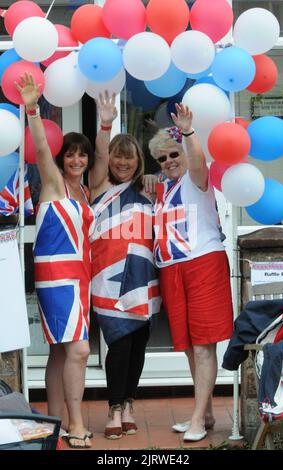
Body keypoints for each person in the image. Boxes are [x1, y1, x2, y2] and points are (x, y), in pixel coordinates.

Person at [16, 72, 95, 449]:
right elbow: (42, 152)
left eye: (82, 153)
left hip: (80, 277)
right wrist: (32, 108)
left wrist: (108, 120)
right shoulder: (53, 182)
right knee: (79, 350)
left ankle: (54, 423)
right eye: (71, 153)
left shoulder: (86, 190)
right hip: (56, 276)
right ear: (62, 158)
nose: (76, 159)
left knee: (61, 351)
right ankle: (76, 424)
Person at [149, 103, 233, 442]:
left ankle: (197, 419)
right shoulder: (161, 188)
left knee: (203, 346)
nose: (169, 161)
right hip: (171, 269)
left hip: (203, 263)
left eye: (173, 154)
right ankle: (207, 412)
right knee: (187, 346)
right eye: (162, 158)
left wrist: (187, 132)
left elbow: (197, 162)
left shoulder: (197, 178)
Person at [89, 92, 160, 440]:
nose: (122, 162)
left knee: (137, 345)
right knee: (117, 345)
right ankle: (114, 407)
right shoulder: (99, 186)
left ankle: (129, 402)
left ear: (137, 161)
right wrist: (105, 122)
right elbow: (100, 155)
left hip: (142, 279)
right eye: (118, 155)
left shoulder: (147, 190)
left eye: (128, 157)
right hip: (107, 279)